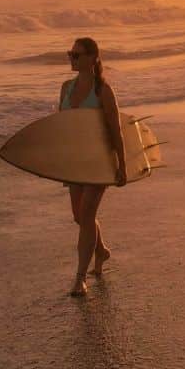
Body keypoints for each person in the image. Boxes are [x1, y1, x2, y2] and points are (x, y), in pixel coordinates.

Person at [62, 36, 127, 297]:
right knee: (80, 217)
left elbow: (116, 130)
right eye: (70, 54)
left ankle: (79, 278)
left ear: (92, 58)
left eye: (76, 55)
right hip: (74, 161)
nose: (72, 59)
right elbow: (60, 126)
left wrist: (122, 165)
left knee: (87, 215)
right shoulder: (65, 88)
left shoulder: (103, 91)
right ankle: (101, 251)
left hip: (99, 161)